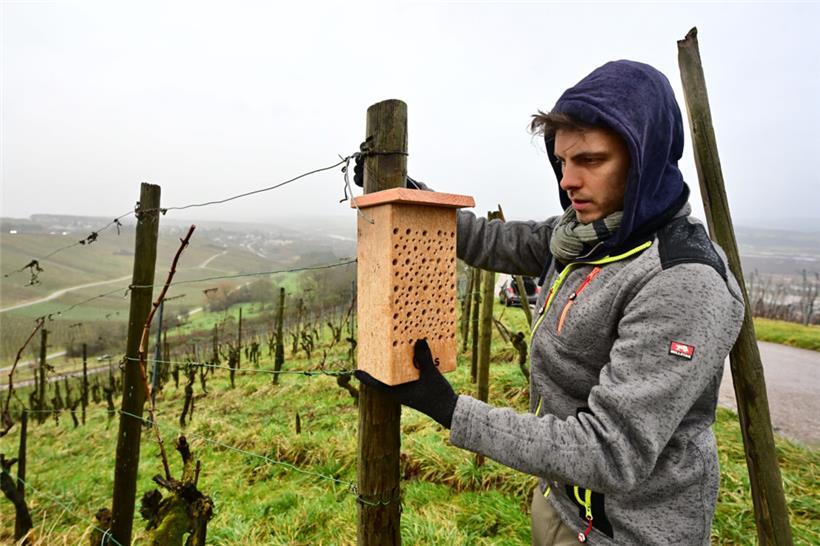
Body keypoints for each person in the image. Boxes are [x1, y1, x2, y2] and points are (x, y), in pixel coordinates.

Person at [355, 60, 745, 545]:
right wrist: (411, 195)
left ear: (645, 159)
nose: (568, 180)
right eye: (562, 161)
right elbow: (492, 241)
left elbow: (611, 451)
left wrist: (451, 410)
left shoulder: (680, 281)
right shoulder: (583, 237)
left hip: (627, 533)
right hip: (561, 501)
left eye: (591, 161)